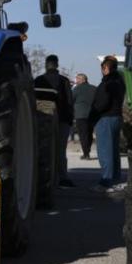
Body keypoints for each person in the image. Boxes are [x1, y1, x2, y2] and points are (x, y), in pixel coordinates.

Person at [34, 54, 75, 187]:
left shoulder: (38, 80)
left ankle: (43, 177)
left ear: (46, 65)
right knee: (60, 150)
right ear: (57, 65)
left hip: (41, 120)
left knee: (43, 150)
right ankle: (62, 177)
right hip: (62, 119)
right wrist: (70, 119)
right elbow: (69, 102)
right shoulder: (63, 81)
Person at [90, 56, 126, 189]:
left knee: (105, 151)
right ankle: (115, 178)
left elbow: (103, 102)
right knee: (113, 151)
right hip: (116, 117)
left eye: (102, 68)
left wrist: (93, 114)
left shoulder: (108, 82)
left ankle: (106, 181)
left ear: (106, 68)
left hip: (105, 118)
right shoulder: (120, 81)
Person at [72, 73, 97, 159]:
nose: (76, 81)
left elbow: (71, 99)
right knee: (89, 133)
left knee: (83, 134)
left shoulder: (76, 89)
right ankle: (87, 150)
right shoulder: (94, 88)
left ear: (82, 80)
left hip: (80, 115)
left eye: (77, 79)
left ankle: (86, 153)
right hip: (92, 114)